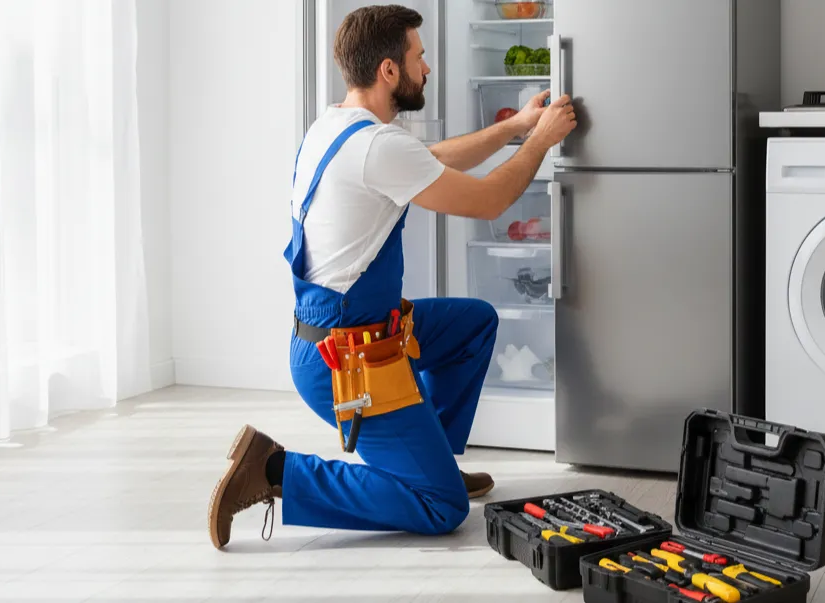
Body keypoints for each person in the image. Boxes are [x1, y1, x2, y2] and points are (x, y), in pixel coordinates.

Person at [208, 4, 577, 550]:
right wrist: (541, 142)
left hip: (348, 336)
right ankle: (275, 471)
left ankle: (431, 459)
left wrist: (517, 128)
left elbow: (426, 158)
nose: (426, 69)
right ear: (388, 71)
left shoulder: (338, 124)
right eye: (418, 57)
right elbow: (492, 199)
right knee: (441, 508)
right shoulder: (378, 145)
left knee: (473, 324)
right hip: (347, 362)